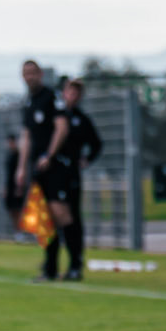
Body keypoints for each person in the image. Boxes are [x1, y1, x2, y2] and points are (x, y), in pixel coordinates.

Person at [16, 59, 71, 282]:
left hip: (56, 165)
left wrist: (49, 155)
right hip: (37, 169)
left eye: (33, 73)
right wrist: (21, 167)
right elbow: (27, 136)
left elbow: (61, 127)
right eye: (26, 73)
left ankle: (75, 263)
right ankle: (50, 268)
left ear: (40, 74)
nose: (30, 77)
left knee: (61, 214)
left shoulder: (52, 97)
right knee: (44, 217)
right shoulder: (29, 103)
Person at [56, 78, 103, 279]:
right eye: (69, 91)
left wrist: (86, 160)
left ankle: (75, 262)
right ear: (64, 92)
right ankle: (52, 262)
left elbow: (96, 144)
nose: (72, 96)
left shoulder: (81, 119)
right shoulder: (56, 116)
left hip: (71, 174)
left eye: (76, 93)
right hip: (54, 173)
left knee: (72, 218)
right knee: (55, 217)